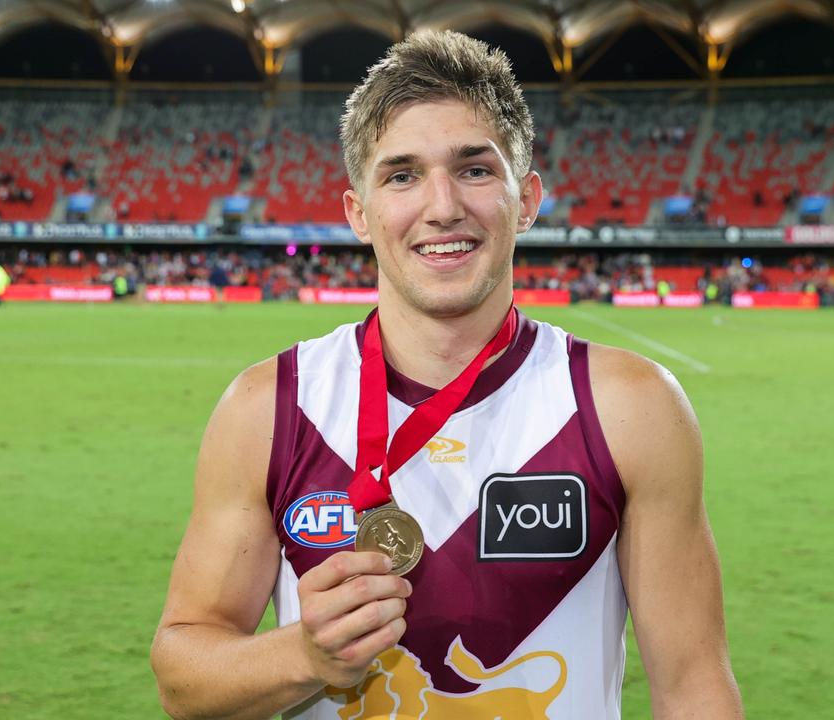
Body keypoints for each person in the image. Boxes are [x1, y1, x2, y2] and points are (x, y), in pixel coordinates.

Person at [151, 30, 742, 720]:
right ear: (358, 214)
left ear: (527, 199)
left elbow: (692, 686)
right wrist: (302, 658)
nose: (442, 207)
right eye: (402, 175)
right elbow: (182, 679)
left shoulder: (630, 407)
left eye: (474, 169)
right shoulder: (269, 407)